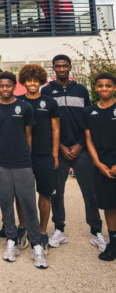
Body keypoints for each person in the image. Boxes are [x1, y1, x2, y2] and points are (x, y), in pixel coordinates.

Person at [41, 55, 105, 251]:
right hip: (58, 149)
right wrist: (59, 146)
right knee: (57, 192)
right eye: (58, 66)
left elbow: (88, 122)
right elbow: (46, 124)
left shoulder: (82, 90)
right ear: (53, 68)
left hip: (81, 148)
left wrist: (79, 144)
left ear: (70, 67)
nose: (61, 69)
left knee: (90, 191)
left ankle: (96, 231)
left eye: (64, 66)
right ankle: (59, 229)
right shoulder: (47, 91)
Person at [0, 71, 47, 268]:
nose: (4, 89)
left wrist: (27, 158)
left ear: (14, 87)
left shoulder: (25, 107)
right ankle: (11, 241)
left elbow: (28, 134)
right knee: (6, 203)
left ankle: (37, 245)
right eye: (1, 86)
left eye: (8, 86)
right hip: (1, 163)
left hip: (22, 163)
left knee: (28, 203)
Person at [17, 64, 60, 254]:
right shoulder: (17, 101)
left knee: (45, 194)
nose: (32, 83)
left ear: (41, 81)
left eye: (36, 80)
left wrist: (55, 154)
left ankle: (42, 232)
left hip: (44, 156)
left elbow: (56, 129)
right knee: (21, 195)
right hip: (22, 157)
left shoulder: (50, 102)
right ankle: (24, 228)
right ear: (23, 82)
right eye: (29, 80)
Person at [82, 72, 116, 261]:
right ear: (95, 88)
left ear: (114, 88)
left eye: (108, 85)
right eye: (101, 86)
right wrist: (98, 163)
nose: (104, 89)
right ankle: (113, 243)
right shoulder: (88, 112)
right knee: (109, 207)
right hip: (102, 166)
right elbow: (89, 139)